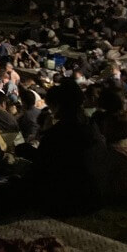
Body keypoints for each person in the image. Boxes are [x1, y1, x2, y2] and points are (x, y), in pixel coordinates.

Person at [33, 79, 107, 216]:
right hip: (95, 193)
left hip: (69, 198)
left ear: (58, 106)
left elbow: (42, 166)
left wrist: (46, 132)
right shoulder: (90, 126)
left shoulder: (59, 133)